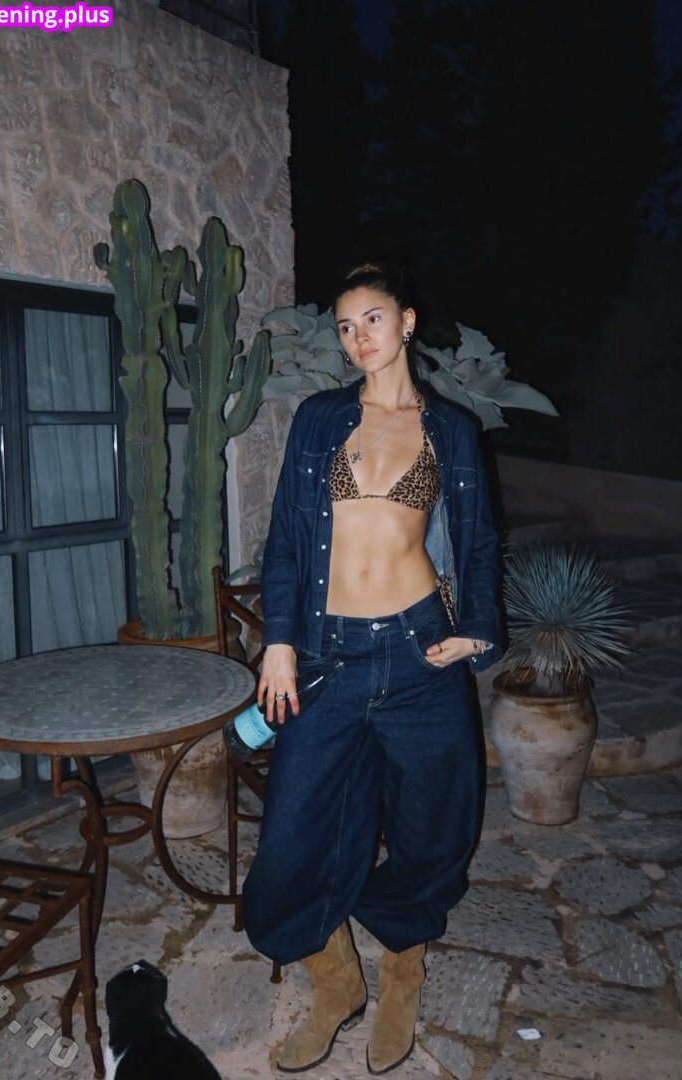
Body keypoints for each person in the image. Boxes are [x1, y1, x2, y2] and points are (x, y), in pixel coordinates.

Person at [242, 263, 502, 1075]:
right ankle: (335, 984)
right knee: (291, 835)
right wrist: (279, 641)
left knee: (434, 828)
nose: (358, 337)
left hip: (420, 653)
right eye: (346, 326)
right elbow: (287, 538)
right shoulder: (320, 419)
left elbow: (480, 539)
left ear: (407, 321)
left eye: (373, 319)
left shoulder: (450, 428)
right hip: (328, 656)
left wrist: (478, 631)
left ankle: (401, 975)